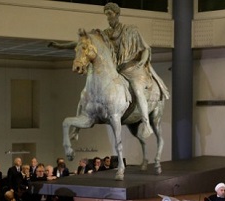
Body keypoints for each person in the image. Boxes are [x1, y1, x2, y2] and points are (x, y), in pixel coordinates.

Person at [49, 3, 169, 139]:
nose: (108, 17)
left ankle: (146, 125)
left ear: (117, 14)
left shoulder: (130, 30)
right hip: (116, 70)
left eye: (110, 14)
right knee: (86, 94)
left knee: (137, 88)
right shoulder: (105, 34)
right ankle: (76, 129)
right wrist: (60, 46)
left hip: (132, 68)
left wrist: (142, 61)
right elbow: (83, 43)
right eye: (106, 14)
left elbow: (146, 48)